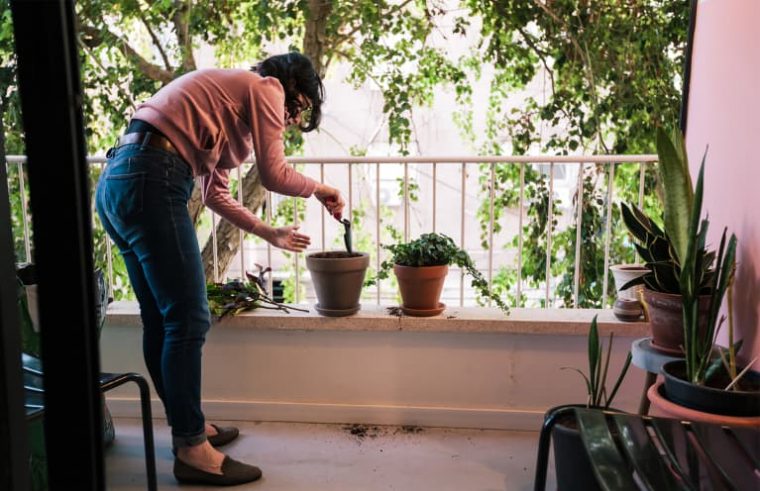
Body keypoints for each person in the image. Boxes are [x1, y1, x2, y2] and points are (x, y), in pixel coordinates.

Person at [95, 52, 344, 486]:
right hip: (152, 177)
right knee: (190, 318)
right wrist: (321, 188)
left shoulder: (226, 113)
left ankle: (186, 427)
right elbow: (274, 174)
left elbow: (214, 195)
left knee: (163, 319)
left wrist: (269, 232)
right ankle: (192, 449)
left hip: (119, 183)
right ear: (289, 87)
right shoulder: (265, 86)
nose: (290, 119)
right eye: (297, 107)